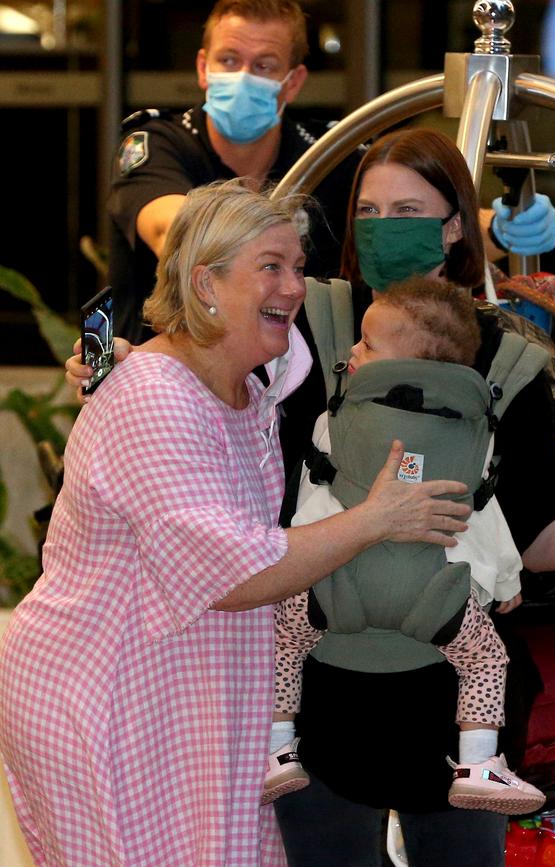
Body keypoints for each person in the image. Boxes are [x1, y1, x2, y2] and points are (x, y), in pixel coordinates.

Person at [65, 128, 555, 866]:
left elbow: (527, 532)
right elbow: (206, 355)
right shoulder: (308, 325)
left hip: (447, 704)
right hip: (315, 696)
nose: (381, 228)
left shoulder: (513, 360)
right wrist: (122, 361)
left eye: (406, 210)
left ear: (456, 223)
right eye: (367, 211)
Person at [0, 179, 468, 867]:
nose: (293, 286)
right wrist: (377, 519)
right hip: (105, 700)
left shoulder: (253, 383)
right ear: (206, 283)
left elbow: (383, 353)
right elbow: (232, 569)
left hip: (192, 703)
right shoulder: (154, 398)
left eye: (297, 267)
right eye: (269, 267)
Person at [108, 0, 555, 349]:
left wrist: (501, 227)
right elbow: (174, 231)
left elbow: (413, 219)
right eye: (229, 61)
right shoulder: (159, 144)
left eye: (263, 65)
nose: (242, 76)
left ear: (294, 81)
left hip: (294, 395)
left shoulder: (325, 153)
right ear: (203, 67)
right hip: (174, 377)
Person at [265, 276, 546, 817]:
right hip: (435, 598)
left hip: (333, 587)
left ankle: (277, 746)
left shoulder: (336, 420)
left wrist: (300, 557)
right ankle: (479, 763)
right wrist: (506, 581)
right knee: (486, 658)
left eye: (367, 345)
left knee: (282, 642)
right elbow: (482, 519)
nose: (351, 351)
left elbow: (314, 499)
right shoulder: (476, 437)